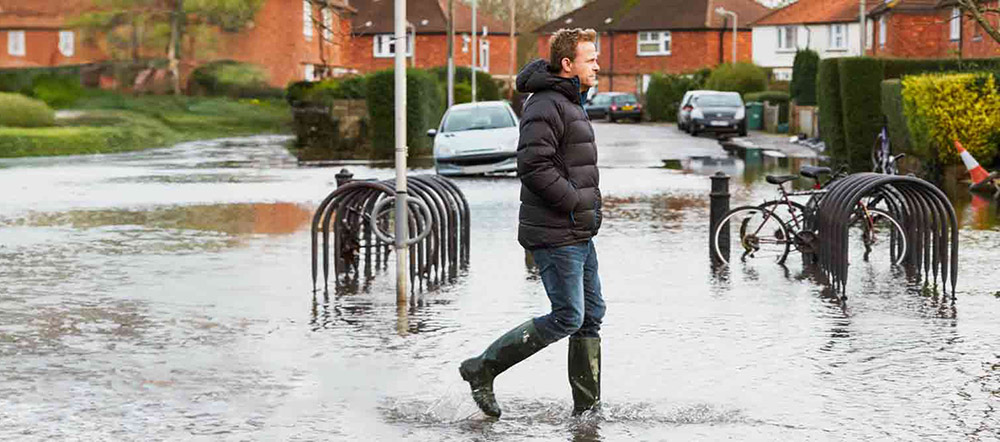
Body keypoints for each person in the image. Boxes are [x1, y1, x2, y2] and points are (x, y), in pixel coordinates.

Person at [459, 28, 604, 418]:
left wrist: (591, 207)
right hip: (557, 230)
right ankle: (483, 366)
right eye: (590, 59)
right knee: (568, 316)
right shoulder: (546, 104)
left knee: (591, 316)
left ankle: (587, 412)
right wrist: (575, 202)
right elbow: (533, 166)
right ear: (567, 64)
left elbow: (573, 165)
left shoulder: (571, 101)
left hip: (578, 229)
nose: (598, 65)